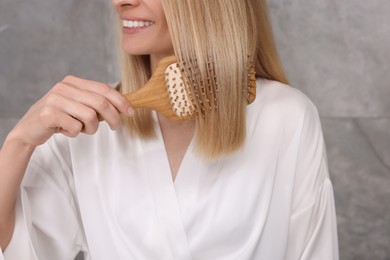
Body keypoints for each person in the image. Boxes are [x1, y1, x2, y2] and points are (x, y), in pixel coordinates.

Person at [0, 0, 339, 259]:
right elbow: (15, 246)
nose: (120, 1)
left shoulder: (285, 117)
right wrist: (19, 141)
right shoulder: (86, 129)